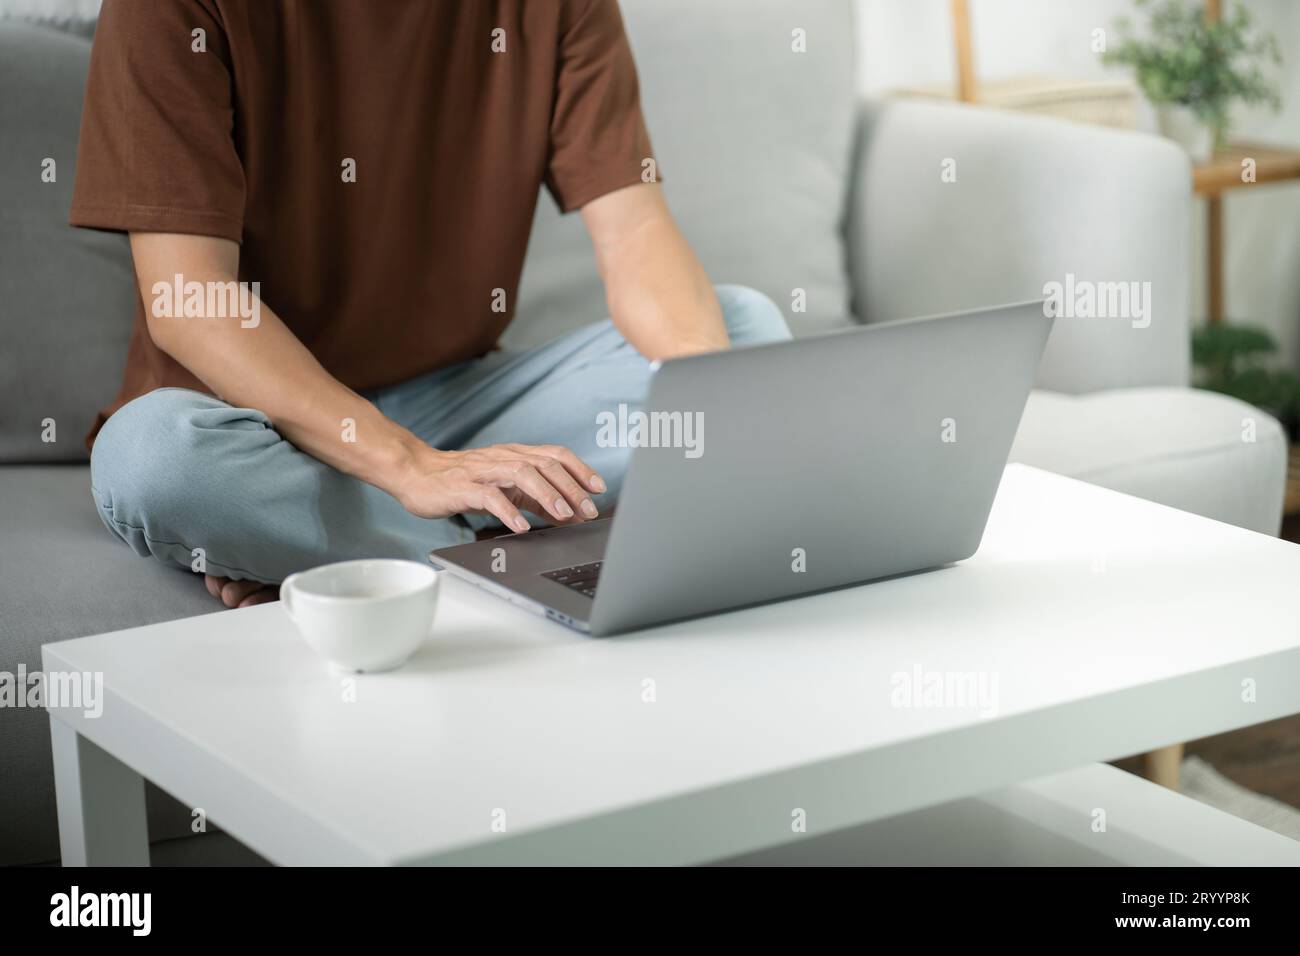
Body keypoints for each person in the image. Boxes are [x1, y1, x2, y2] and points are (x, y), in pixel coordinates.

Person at [72, 0, 789, 608]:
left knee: (741, 330)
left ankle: (341, 547)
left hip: (457, 409)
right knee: (152, 461)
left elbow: (634, 229)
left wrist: (716, 418)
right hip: (247, 424)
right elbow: (189, 298)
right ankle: (496, 548)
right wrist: (409, 467)